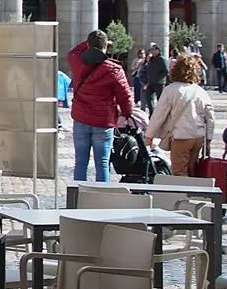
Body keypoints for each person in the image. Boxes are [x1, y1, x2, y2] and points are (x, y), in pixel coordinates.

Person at [68, 29, 135, 183]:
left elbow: (74, 51)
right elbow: (124, 95)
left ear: (89, 45)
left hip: (81, 118)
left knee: (80, 163)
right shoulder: (114, 69)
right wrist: (126, 113)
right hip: (103, 121)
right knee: (103, 163)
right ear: (106, 46)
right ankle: (100, 196)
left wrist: (91, 43)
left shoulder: (77, 61)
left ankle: (77, 196)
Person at [145, 54, 214, 177]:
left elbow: (159, 115)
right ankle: (194, 193)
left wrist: (149, 135)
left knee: (179, 171)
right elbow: (210, 117)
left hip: (181, 136)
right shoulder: (200, 91)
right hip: (198, 136)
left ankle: (183, 195)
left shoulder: (170, 90)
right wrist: (208, 138)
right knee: (192, 170)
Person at [138, 44, 168, 112]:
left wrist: (158, 78)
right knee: (148, 97)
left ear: (158, 50)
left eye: (154, 49)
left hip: (159, 83)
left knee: (160, 99)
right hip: (150, 82)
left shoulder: (161, 59)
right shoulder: (151, 59)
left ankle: (161, 113)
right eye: (152, 50)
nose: (152, 51)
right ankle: (152, 113)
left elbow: (166, 71)